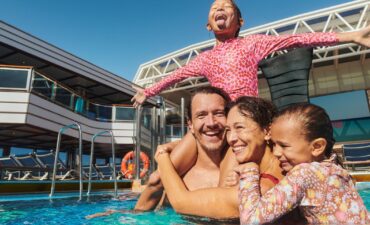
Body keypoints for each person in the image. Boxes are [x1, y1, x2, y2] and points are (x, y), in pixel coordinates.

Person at [131, 0, 370, 107]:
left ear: (240, 22)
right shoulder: (203, 59)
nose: (219, 8)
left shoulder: (252, 44)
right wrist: (148, 92)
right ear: (208, 25)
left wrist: (350, 36)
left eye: (226, 7)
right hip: (221, 115)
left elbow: (297, 39)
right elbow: (176, 75)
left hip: (248, 111)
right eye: (215, 8)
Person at [155, 96, 303, 223]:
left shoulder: (259, 192)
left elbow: (181, 203)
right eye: (228, 130)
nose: (231, 138)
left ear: (267, 131)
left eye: (239, 128)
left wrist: (162, 156)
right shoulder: (286, 166)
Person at [238, 103, 369, 224]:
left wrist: (249, 172)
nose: (276, 152)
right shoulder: (335, 169)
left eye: (284, 145)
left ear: (317, 146)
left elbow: (251, 219)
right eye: (273, 144)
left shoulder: (305, 173)